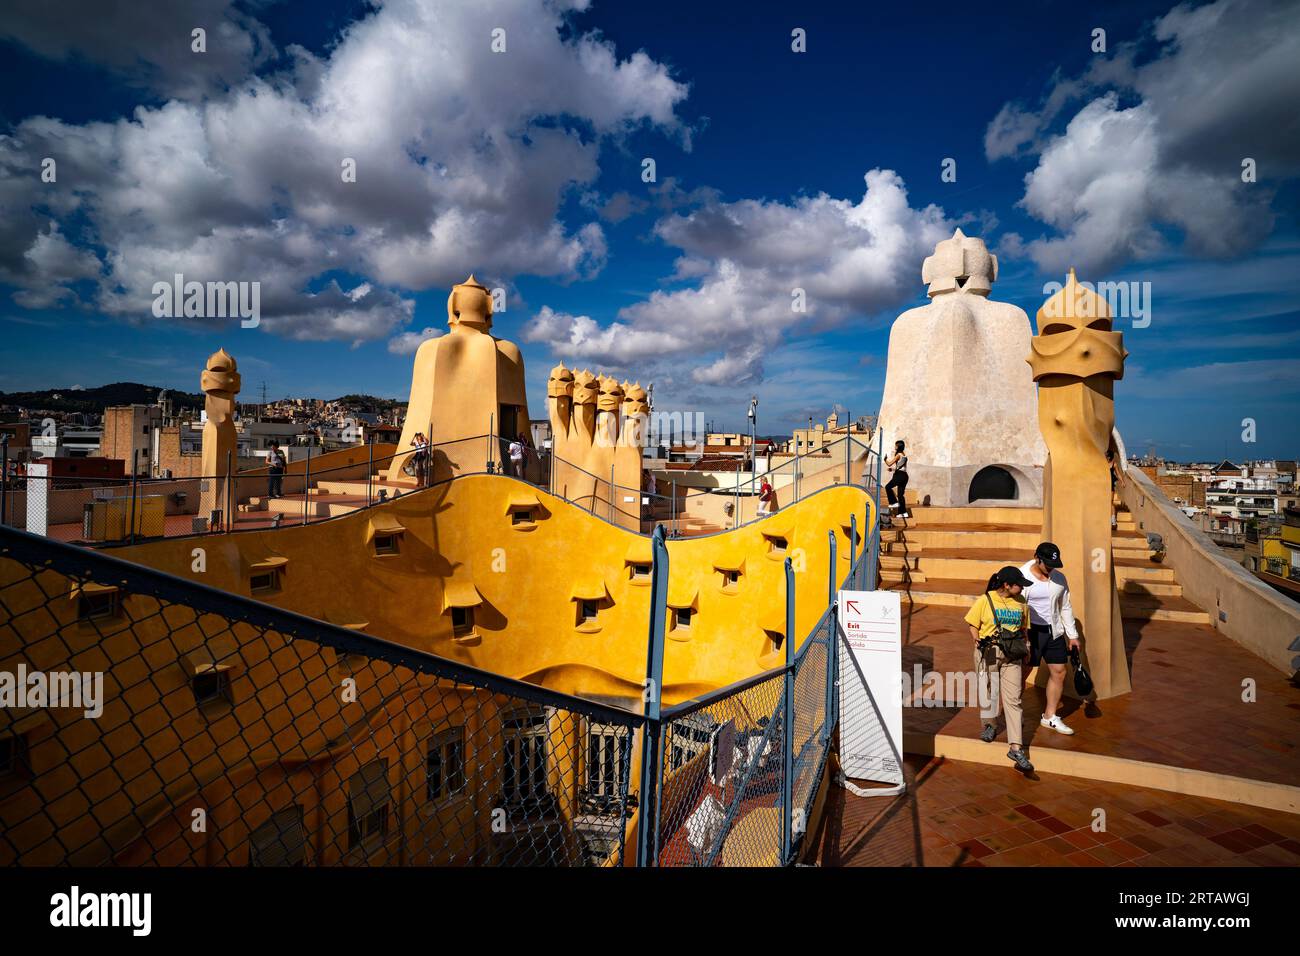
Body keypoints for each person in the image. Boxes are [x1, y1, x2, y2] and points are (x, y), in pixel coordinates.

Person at [964, 565, 1034, 772]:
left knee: (1013, 699)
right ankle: (989, 725)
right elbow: (972, 623)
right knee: (989, 691)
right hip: (989, 651)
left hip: (1013, 654)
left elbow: (1023, 629)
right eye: (1019, 585)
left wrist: (1027, 648)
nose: (1022, 588)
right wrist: (977, 640)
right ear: (1006, 585)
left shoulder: (1021, 602)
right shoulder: (985, 600)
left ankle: (1016, 747)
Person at [1020, 542, 1081, 735]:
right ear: (1037, 557)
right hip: (1030, 632)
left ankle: (1049, 716)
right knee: (1022, 672)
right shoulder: (1023, 577)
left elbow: (1065, 606)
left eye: (1053, 564)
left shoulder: (1059, 578)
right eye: (1047, 564)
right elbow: (1017, 609)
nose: (1050, 568)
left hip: (1054, 631)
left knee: (1059, 671)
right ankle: (1015, 712)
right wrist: (1023, 639)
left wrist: (1073, 636)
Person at [884, 440, 910, 518]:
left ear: (898, 446)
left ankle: (893, 502)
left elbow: (889, 463)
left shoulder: (898, 455)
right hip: (904, 476)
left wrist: (885, 459)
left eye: (896, 445)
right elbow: (901, 467)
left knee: (887, 487)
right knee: (900, 495)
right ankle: (904, 512)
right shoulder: (904, 455)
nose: (895, 447)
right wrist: (892, 470)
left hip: (899, 475)